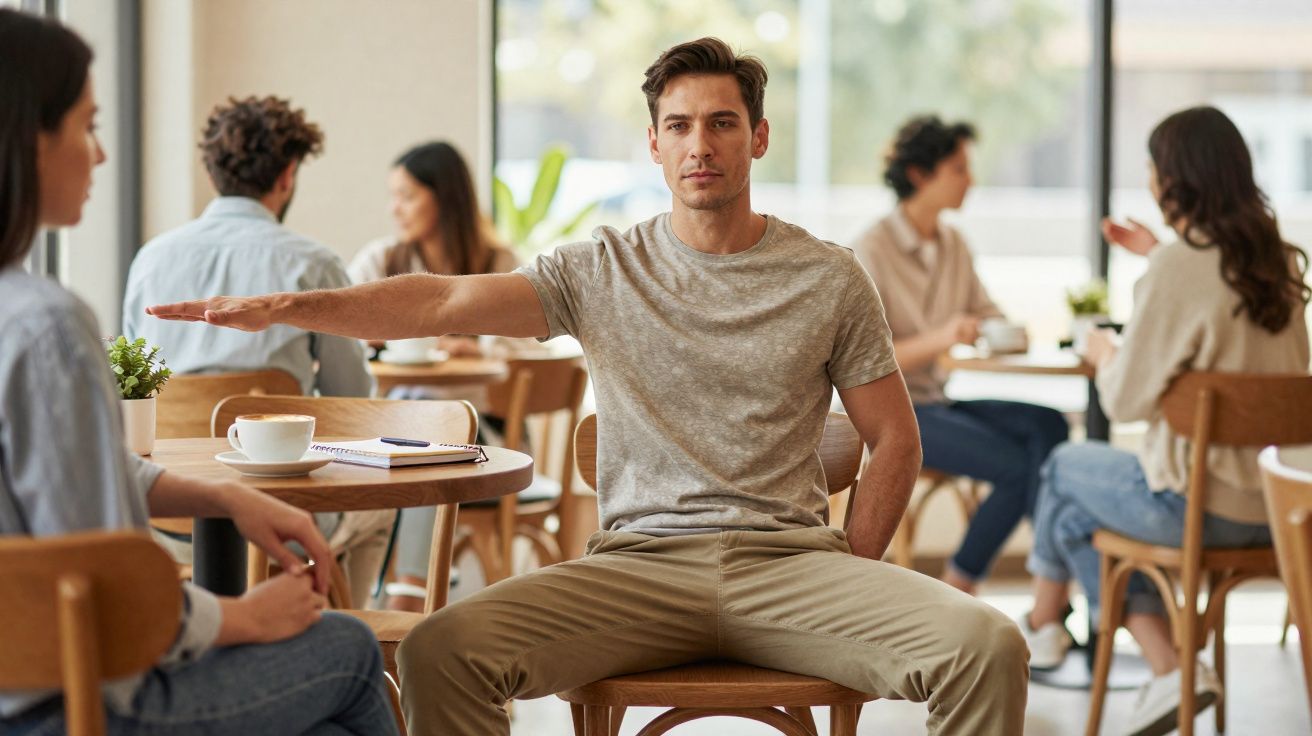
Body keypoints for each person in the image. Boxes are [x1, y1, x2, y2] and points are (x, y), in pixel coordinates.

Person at [148, 37, 1030, 736]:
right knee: (441, 649)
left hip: (791, 566)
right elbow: (446, 299)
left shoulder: (830, 276)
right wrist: (293, 305)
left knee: (988, 642)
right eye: (679, 126)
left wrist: (849, 572)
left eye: (722, 123)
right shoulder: (602, 267)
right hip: (637, 571)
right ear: (653, 144)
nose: (700, 145)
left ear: (757, 137)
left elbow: (894, 440)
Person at [0, 9, 397, 735]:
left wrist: (221, 494)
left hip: (130, 572)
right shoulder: (44, 324)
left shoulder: (148, 259)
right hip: (75, 701)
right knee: (351, 646)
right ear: (28, 138)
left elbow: (81, 450)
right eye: (88, 126)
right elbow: (104, 594)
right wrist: (244, 617)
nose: (101, 155)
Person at [1020, 106, 1309, 735]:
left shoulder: (1181, 268)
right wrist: (1159, 256)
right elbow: (1214, 302)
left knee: (1065, 467)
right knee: (1072, 513)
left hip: (1198, 508)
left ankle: (1055, 630)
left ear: (1174, 179)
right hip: (1280, 509)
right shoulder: (1280, 262)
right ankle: (1164, 669)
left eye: (1153, 166)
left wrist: (1103, 352)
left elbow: (1124, 401)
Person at [121, 95, 389, 608]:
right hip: (283, 518)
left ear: (213, 171)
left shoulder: (150, 260)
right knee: (381, 512)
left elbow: (129, 389)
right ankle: (352, 628)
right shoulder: (314, 265)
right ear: (287, 174)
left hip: (165, 516)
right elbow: (350, 400)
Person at [853, 115, 1069, 594]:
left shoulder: (954, 245)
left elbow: (989, 313)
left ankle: (1050, 581)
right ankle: (962, 584)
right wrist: (945, 335)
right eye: (958, 168)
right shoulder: (872, 249)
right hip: (894, 414)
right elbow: (864, 359)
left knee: (1049, 426)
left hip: (939, 403)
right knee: (1018, 466)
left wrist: (1006, 331)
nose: (970, 180)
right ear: (919, 176)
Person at [349, 140, 529, 610]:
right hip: (389, 437)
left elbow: (534, 344)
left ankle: (408, 593)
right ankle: (412, 591)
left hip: (485, 435)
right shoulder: (380, 262)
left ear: (444, 197)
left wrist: (483, 343)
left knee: (427, 423)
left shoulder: (498, 265)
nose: (396, 209)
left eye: (407, 196)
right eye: (393, 196)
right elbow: (342, 331)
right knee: (420, 420)